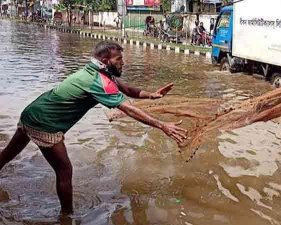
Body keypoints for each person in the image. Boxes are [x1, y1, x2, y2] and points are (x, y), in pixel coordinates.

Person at [0, 41, 187, 215]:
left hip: (32, 112)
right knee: (64, 170)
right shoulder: (99, 81)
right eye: (119, 59)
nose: (124, 62)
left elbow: (127, 89)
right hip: (45, 123)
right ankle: (67, 216)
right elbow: (129, 109)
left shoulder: (97, 71)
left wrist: (151, 95)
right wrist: (162, 125)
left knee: (8, 154)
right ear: (106, 61)